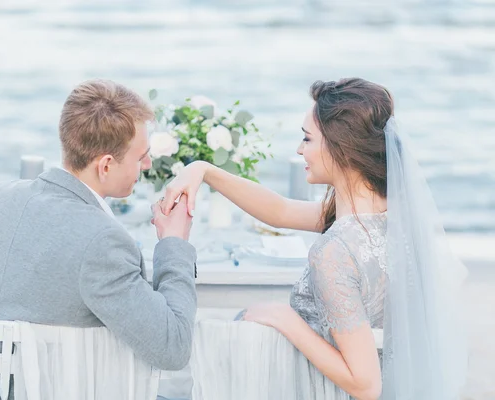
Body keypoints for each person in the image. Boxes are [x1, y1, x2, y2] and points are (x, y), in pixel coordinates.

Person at [161, 78, 468, 399]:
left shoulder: (335, 250)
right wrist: (204, 171)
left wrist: (287, 320)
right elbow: (278, 211)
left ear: (341, 147)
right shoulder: (393, 218)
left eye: (307, 139)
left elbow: (365, 384)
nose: (299, 149)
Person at [0, 79, 198, 399]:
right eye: (141, 156)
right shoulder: (104, 242)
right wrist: (174, 243)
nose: (146, 165)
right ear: (105, 165)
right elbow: (173, 348)